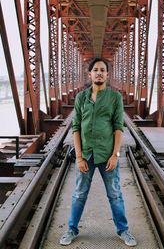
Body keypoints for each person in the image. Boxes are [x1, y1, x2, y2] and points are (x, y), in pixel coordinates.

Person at [60, 57, 137, 247]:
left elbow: (118, 127)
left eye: (103, 70)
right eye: (96, 70)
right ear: (90, 74)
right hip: (86, 154)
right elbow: (76, 127)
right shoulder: (81, 98)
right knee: (79, 193)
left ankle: (123, 230)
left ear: (107, 75)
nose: (99, 73)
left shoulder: (115, 98)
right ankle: (71, 229)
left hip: (107, 155)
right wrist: (78, 157)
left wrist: (115, 155)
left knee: (115, 194)